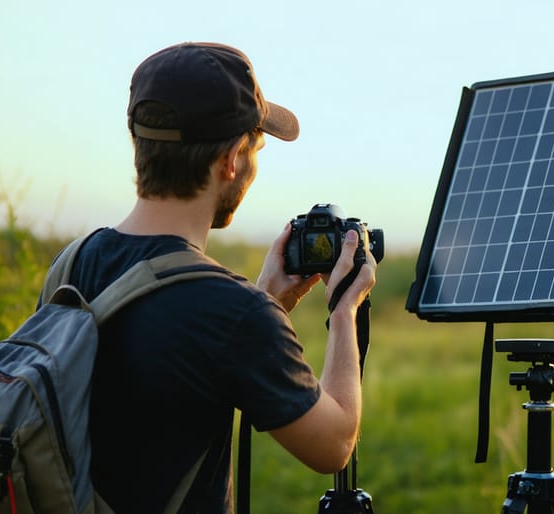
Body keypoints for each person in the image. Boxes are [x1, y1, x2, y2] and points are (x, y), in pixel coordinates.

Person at [53, 42, 376, 513]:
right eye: (257, 147)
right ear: (230, 159)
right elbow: (333, 444)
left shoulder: (71, 264)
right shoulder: (232, 313)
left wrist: (266, 300)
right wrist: (344, 311)